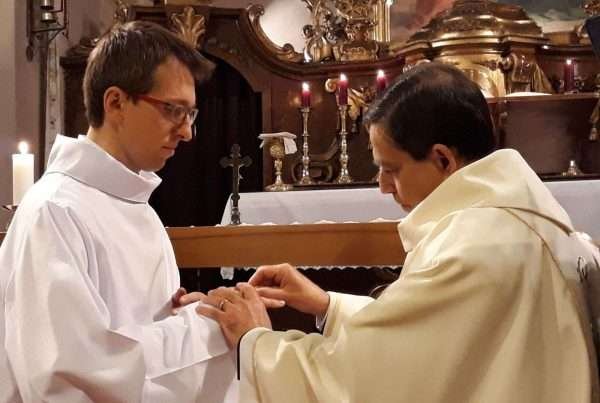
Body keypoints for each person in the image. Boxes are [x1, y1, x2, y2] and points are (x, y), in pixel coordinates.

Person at [197, 62, 600, 402]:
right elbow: (440, 335)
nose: (383, 187)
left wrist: (255, 343)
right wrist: (328, 305)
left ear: (442, 159)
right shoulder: (528, 221)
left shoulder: (473, 246)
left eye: (391, 169)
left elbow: (364, 380)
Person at [0, 21, 238, 402]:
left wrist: (193, 313)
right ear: (115, 103)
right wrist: (204, 330)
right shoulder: (55, 212)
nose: (187, 132)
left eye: (190, 114)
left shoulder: (138, 208)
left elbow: (135, 338)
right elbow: (69, 381)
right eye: (173, 110)